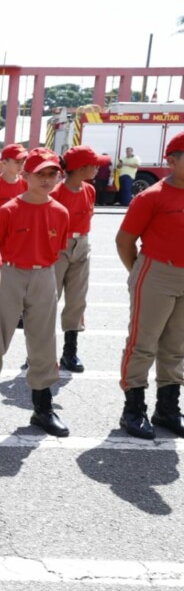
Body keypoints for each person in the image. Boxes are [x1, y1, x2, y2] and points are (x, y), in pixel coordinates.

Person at [0, 148, 70, 437]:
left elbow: (59, 248)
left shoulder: (60, 212)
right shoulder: (8, 210)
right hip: (10, 273)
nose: (47, 179)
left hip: (44, 275)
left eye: (53, 174)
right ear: (26, 175)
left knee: (44, 342)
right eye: (40, 174)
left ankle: (43, 408)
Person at [116, 131, 184, 440]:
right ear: (172, 162)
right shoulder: (151, 197)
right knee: (142, 344)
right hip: (156, 272)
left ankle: (167, 408)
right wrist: (139, 275)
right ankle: (133, 409)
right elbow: (124, 241)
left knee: (176, 346)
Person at [51, 145, 110, 373]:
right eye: (94, 165)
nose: (98, 168)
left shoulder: (89, 190)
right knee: (48, 300)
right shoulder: (56, 193)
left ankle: (69, 352)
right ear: (80, 168)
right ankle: (37, 351)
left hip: (82, 245)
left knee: (77, 300)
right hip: (59, 247)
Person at [0, 143, 28, 211]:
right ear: (4, 162)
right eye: (17, 162)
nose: (21, 165)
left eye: (23, 162)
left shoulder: (25, 184)